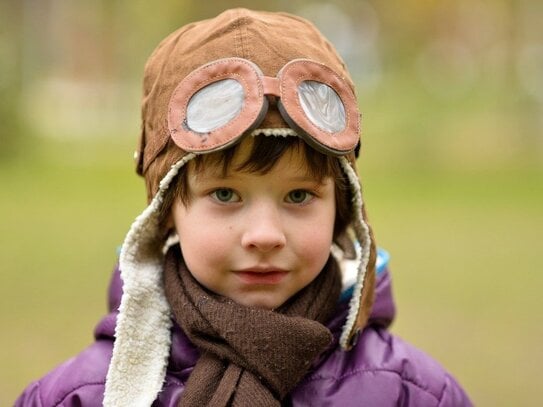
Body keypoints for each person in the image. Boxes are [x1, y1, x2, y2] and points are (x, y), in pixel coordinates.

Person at [15, 8, 472, 406]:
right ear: (166, 211)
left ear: (342, 209)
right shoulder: (85, 396)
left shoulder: (409, 393)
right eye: (226, 195)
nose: (265, 235)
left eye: (298, 196)